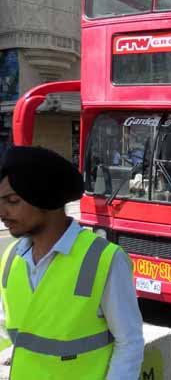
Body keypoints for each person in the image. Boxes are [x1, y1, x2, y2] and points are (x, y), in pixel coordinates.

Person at [0, 146, 143, 379]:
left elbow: (129, 343)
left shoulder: (104, 259)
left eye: (12, 201)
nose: (1, 211)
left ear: (46, 199)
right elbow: (6, 332)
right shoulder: (11, 257)